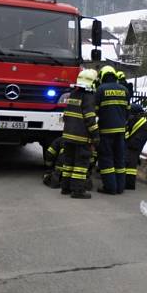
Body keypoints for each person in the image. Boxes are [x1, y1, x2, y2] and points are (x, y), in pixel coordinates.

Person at [60, 68, 99, 199]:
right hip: (81, 137)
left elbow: (66, 116)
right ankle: (78, 191)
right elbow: (90, 118)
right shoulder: (88, 97)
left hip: (68, 135)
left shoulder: (73, 94)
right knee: (80, 165)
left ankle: (65, 188)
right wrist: (95, 135)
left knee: (68, 163)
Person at [95, 65, 130, 195]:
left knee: (106, 159)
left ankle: (110, 187)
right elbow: (128, 111)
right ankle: (120, 187)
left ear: (103, 76)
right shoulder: (124, 90)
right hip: (120, 131)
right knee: (119, 159)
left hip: (106, 132)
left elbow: (95, 111)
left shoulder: (101, 90)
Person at [124, 103, 147, 190]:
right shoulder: (135, 121)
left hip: (134, 145)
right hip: (133, 143)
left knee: (131, 159)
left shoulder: (143, 126)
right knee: (130, 158)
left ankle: (129, 183)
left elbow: (133, 142)